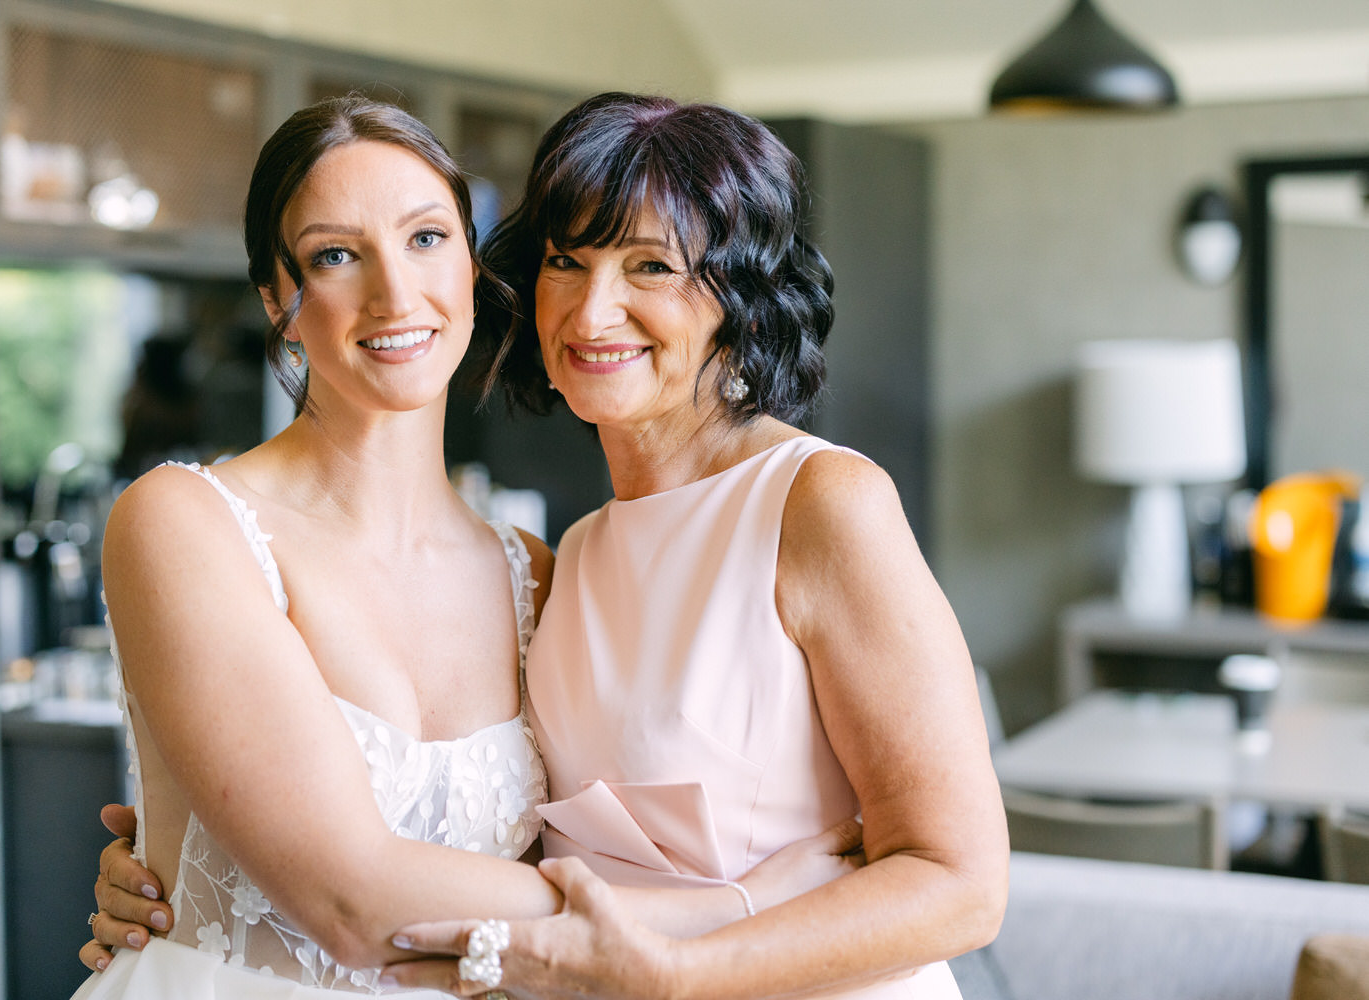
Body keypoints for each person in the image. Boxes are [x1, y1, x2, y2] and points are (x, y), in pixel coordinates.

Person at [88, 92, 1007, 999]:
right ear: (278, 297)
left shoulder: (794, 507)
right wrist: (190, 859)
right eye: (569, 261)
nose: (595, 312)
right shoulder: (567, 561)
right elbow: (400, 874)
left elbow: (960, 880)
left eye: (651, 266)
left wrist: (685, 967)